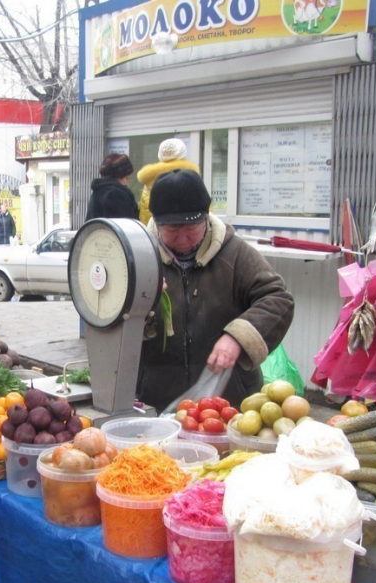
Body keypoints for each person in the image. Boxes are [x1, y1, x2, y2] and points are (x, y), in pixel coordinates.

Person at [137, 169, 295, 413]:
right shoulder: (140, 257)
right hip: (157, 400)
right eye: (172, 231)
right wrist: (143, 302)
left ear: (206, 218)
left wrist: (238, 337)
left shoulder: (235, 254)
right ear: (156, 224)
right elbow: (110, 318)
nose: (182, 239)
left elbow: (277, 298)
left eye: (191, 229)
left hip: (230, 402)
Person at [136, 138, 199, 225]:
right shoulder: (191, 181)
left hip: (154, 235)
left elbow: (144, 215)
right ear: (184, 155)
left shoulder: (149, 183)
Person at [85, 153, 140, 221]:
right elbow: (128, 226)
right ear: (118, 176)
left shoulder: (97, 192)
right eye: (127, 178)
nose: (127, 183)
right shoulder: (118, 195)